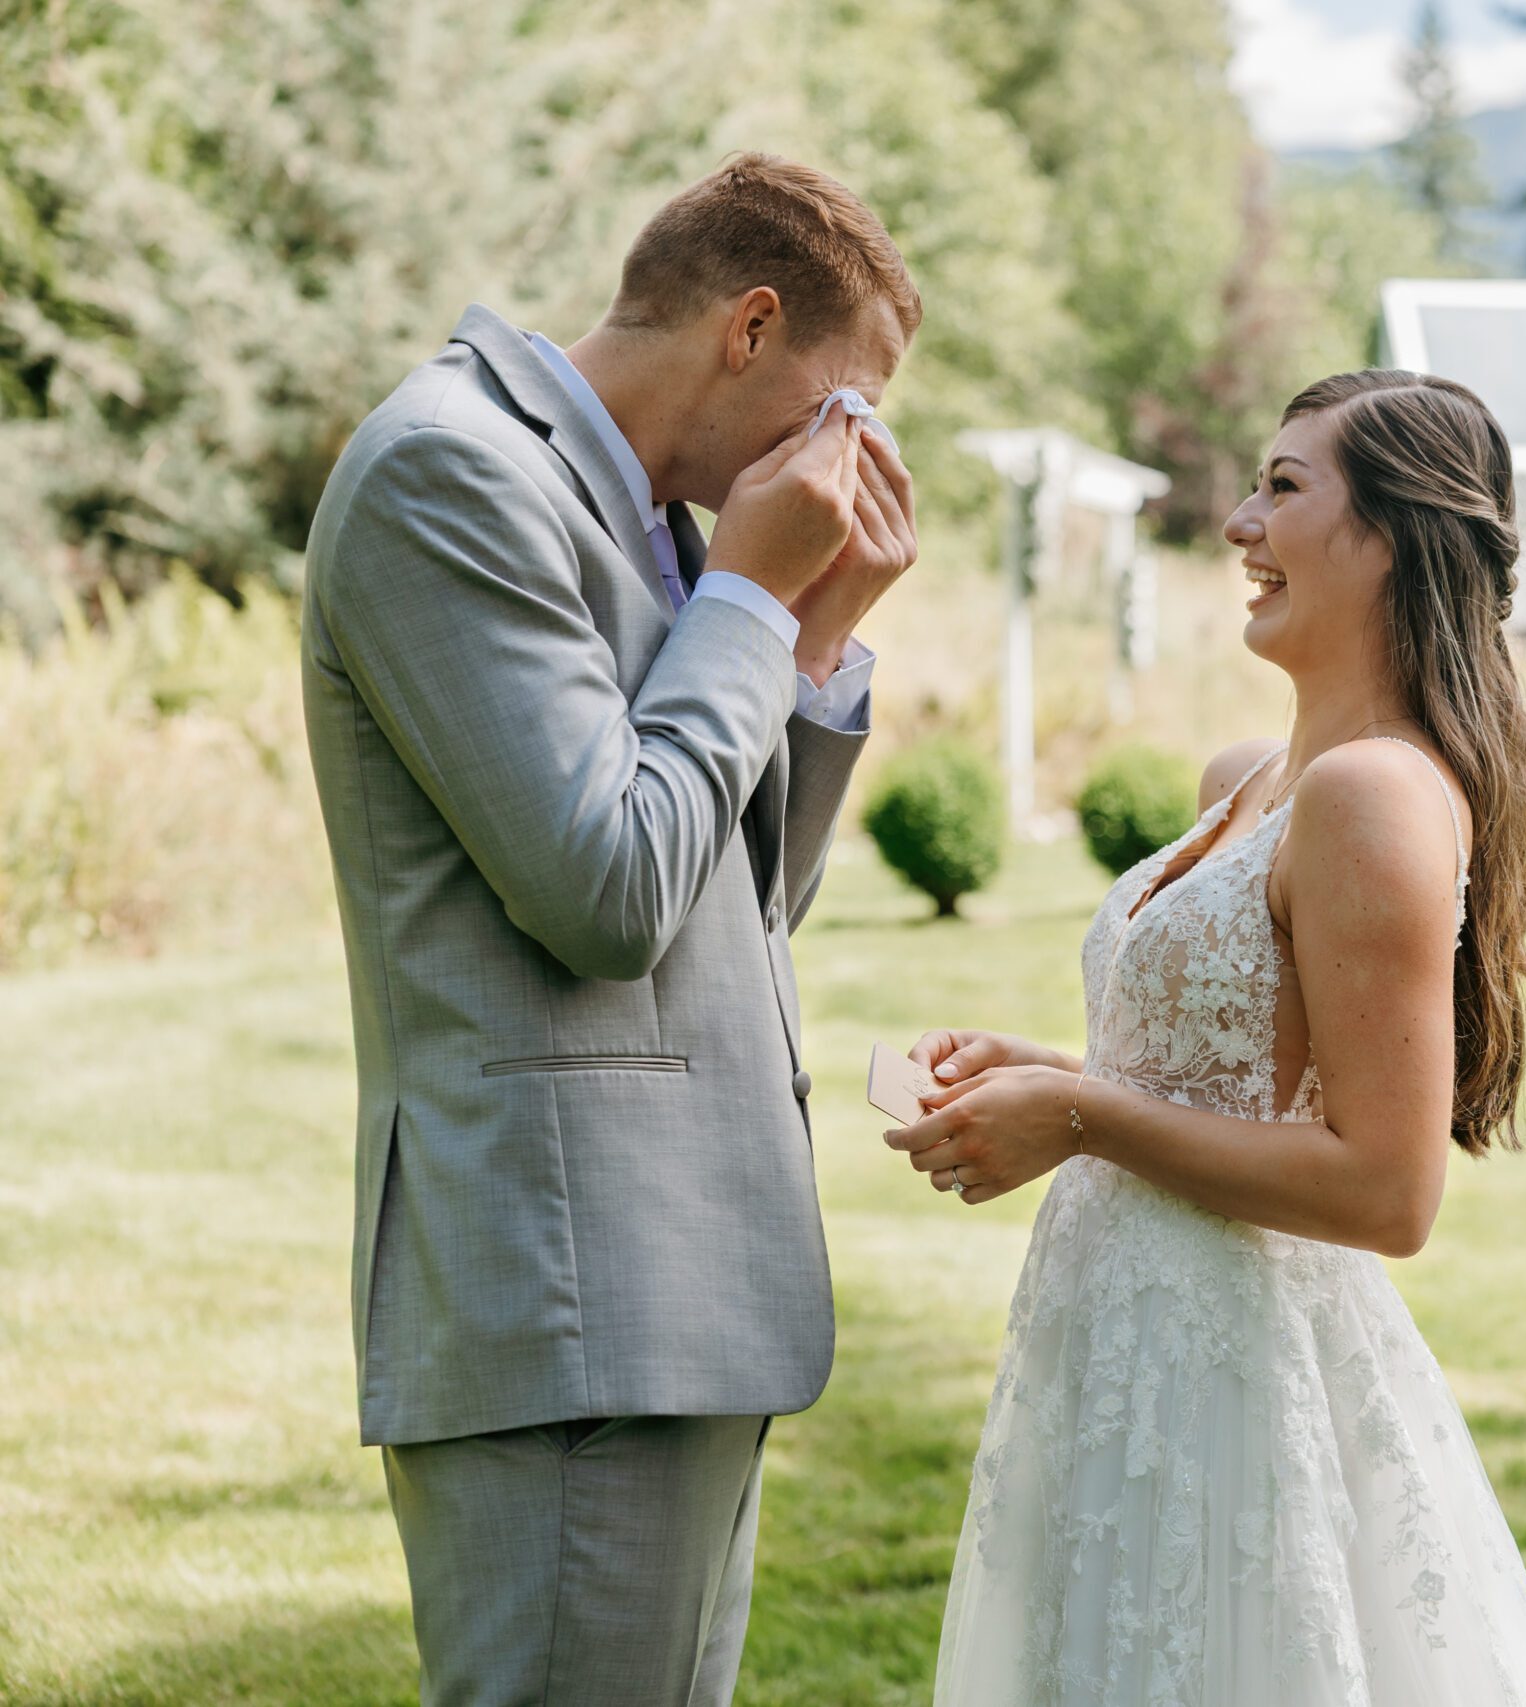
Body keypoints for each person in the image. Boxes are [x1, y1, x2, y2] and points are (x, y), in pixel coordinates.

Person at [300, 153, 920, 1705]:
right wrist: (754, 607)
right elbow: (605, 891)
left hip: (685, 1292)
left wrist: (813, 634)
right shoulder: (452, 473)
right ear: (749, 326)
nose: (847, 462)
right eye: (839, 410)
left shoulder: (665, 522)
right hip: (572, 1294)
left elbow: (738, 901)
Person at [891, 370, 1526, 1703]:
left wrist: (1085, 1120)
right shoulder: (1248, 783)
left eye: (1280, 487)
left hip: (1239, 1368)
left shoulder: (1374, 793)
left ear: (1388, 535)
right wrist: (1051, 1075)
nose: (1235, 525)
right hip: (1117, 1340)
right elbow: (1241, 1081)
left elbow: (1386, 1191)